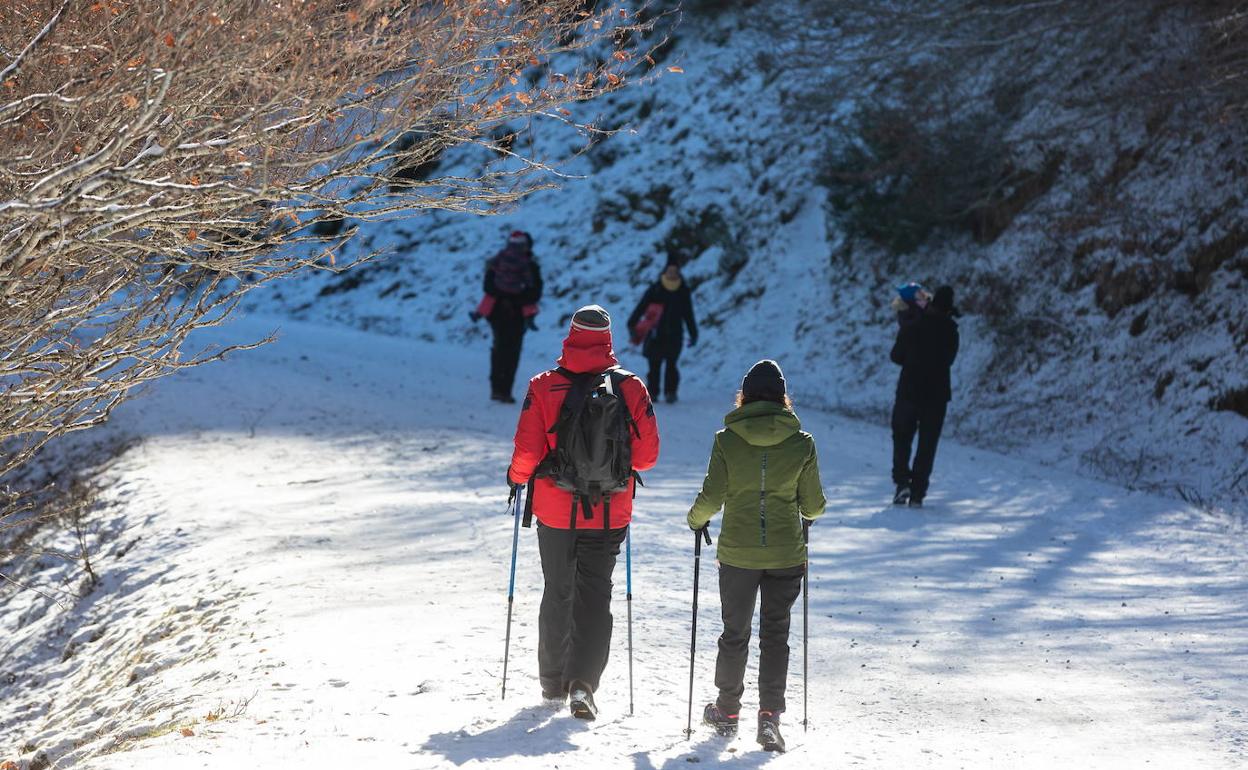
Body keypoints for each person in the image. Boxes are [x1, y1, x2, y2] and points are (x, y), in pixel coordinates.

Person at [506, 305, 660, 720]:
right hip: (610, 512)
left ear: (570, 336)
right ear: (608, 339)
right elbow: (646, 458)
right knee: (595, 594)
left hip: (555, 510)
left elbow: (527, 450)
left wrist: (517, 478)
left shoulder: (544, 385)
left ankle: (552, 681)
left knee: (558, 589)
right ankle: (583, 686)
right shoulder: (631, 388)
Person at [687, 360, 825, 753]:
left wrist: (695, 520)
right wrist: (804, 513)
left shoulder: (726, 440)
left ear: (743, 396)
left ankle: (728, 710)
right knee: (776, 633)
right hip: (785, 554)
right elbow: (813, 506)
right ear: (783, 397)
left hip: (738, 554)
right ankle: (769, 719)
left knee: (735, 633)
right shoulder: (802, 442)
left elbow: (712, 496)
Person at [889, 285, 960, 507]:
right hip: (936, 397)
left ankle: (902, 483)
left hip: (909, 391)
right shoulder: (951, 330)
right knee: (927, 445)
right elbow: (949, 360)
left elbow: (896, 356)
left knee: (902, 439)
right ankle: (918, 492)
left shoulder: (912, 326)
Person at [481, 231, 543, 403]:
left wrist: (503, 297)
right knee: (512, 351)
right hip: (517, 313)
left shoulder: (498, 260)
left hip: (497, 311)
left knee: (499, 347)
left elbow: (487, 286)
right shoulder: (530, 265)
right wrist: (516, 298)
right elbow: (536, 292)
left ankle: (496, 388)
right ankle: (505, 390)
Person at [626, 260, 698, 404]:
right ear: (664, 272)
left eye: (675, 271)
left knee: (672, 364)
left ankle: (671, 392)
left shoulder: (683, 290)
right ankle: (653, 392)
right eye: (669, 271)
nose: (672, 274)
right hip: (655, 334)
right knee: (654, 365)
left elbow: (688, 314)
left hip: (674, 334)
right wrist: (632, 325)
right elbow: (641, 307)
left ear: (678, 273)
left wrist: (693, 333)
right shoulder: (656, 289)